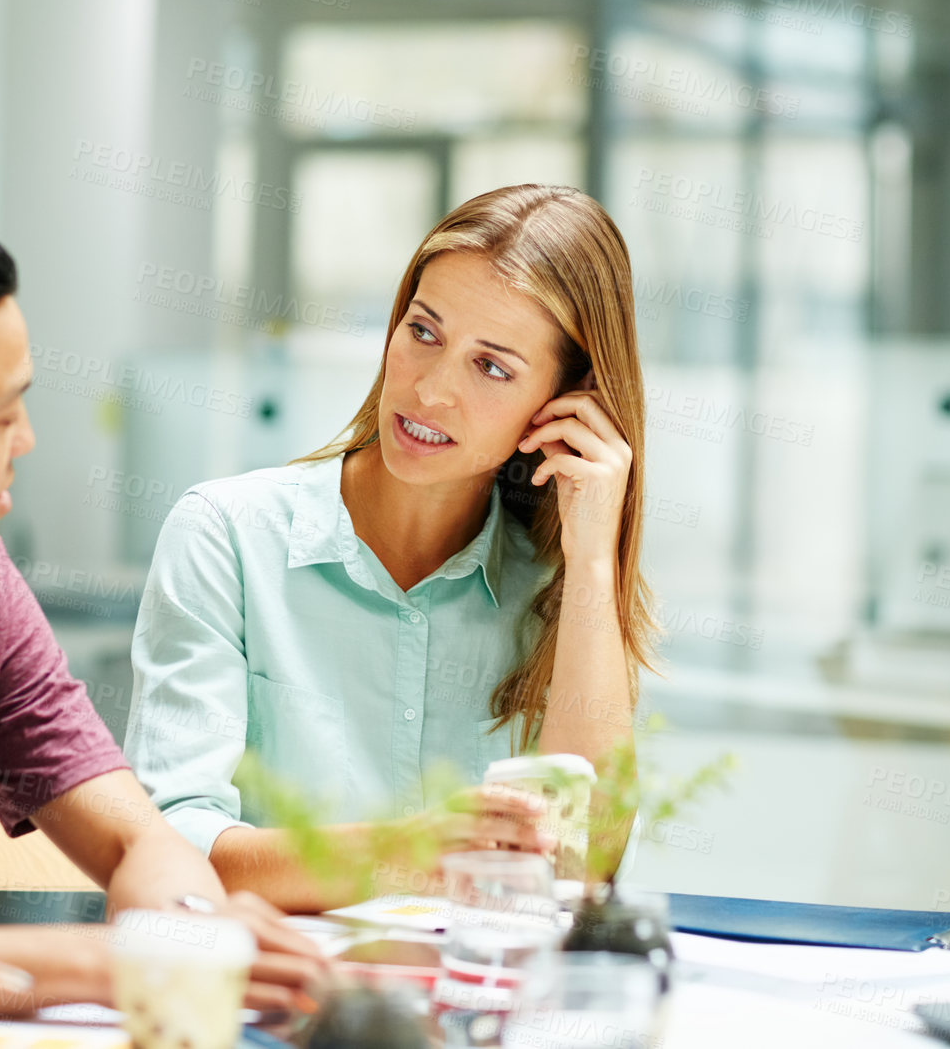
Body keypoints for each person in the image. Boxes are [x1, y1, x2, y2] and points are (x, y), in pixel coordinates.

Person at [127, 184, 654, 911]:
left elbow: (581, 869)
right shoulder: (227, 536)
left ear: (566, 403)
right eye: (425, 332)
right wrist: (407, 851)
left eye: (492, 366)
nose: (430, 391)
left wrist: (594, 560)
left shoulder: (558, 585)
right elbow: (165, 851)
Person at [0, 206, 322, 1026]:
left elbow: (138, 842)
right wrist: (97, 961)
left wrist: (191, 938)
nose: (29, 441)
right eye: (2, 415)